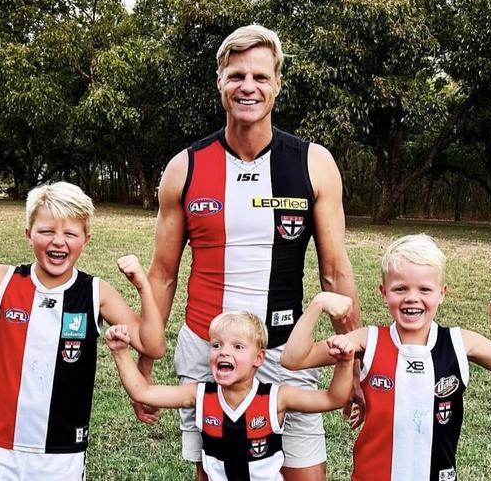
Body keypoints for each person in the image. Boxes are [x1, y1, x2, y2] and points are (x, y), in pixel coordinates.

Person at [139, 24, 362, 481]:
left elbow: (336, 273)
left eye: (261, 77)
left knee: (304, 475)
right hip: (208, 349)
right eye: (237, 75)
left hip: (287, 352)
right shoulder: (186, 166)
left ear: (277, 84)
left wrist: (355, 359)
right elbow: (162, 275)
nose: (248, 87)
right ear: (219, 81)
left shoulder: (313, 163)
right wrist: (146, 359)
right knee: (217, 473)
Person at [0, 181, 166, 481]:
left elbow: (152, 346)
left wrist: (142, 287)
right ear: (28, 233)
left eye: (70, 234)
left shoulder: (95, 292)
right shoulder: (2, 280)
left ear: (86, 240)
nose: (58, 241)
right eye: (46, 231)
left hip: (61, 454)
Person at [281, 233, 491, 481]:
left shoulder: (459, 343)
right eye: (400, 288)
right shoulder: (369, 340)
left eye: (424, 289)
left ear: (442, 293)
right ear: (383, 292)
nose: (412, 298)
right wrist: (318, 304)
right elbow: (294, 359)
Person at [106, 293, 355, 481]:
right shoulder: (200, 395)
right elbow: (143, 392)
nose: (224, 351)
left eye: (237, 347)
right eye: (216, 345)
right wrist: (120, 352)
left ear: (259, 358)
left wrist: (344, 363)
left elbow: (333, 399)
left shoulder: (276, 399)